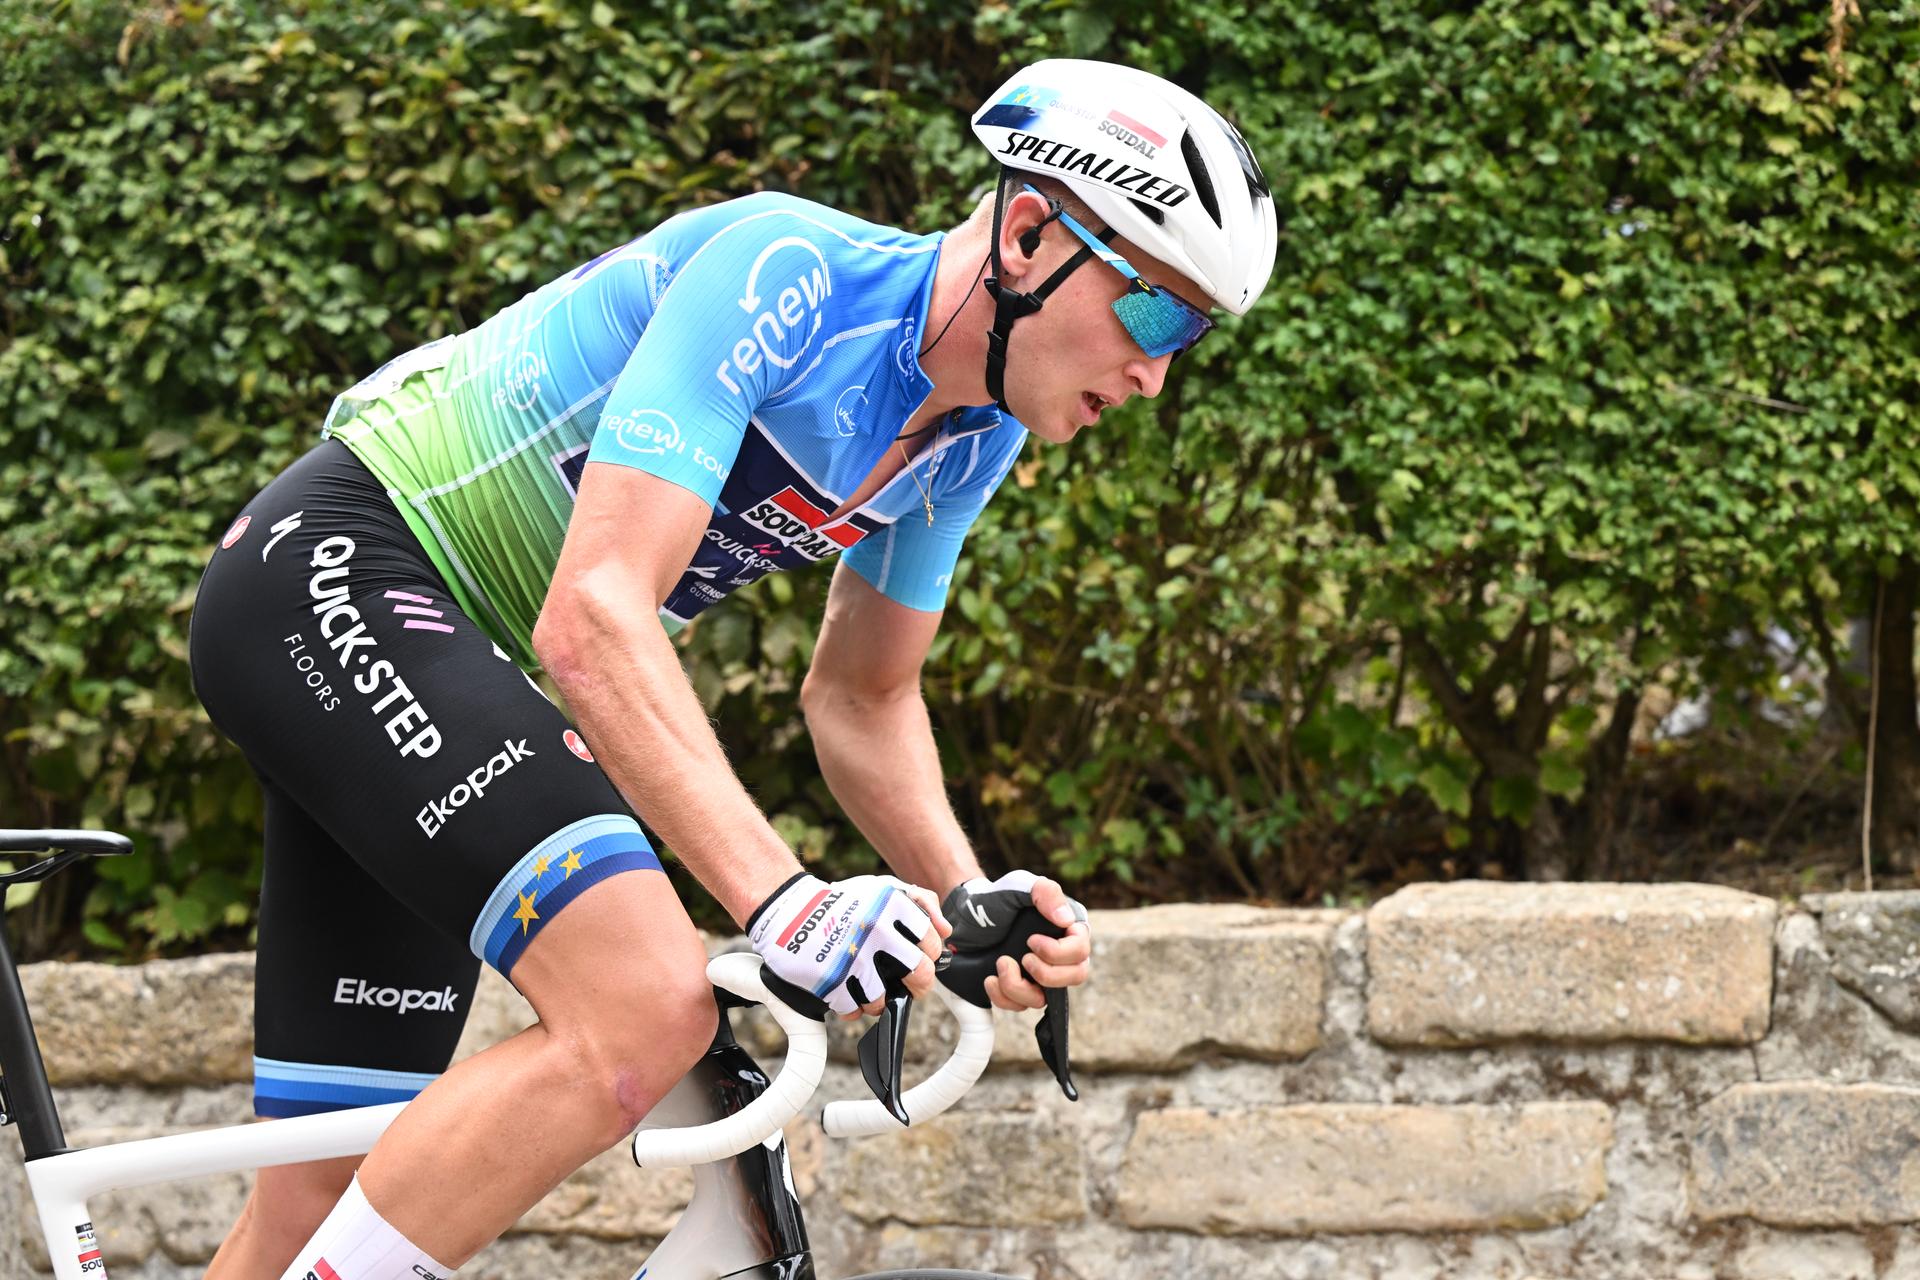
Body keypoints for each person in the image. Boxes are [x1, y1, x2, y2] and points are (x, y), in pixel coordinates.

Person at [185, 56, 1277, 1279]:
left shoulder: (970, 440)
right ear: (1029, 233)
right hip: (339, 563)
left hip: (424, 653)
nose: (1155, 374)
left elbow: (864, 697)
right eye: (1157, 314)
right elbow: (594, 616)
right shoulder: (791, 275)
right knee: (646, 1008)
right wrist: (784, 897)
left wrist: (967, 899)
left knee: (326, 1199)